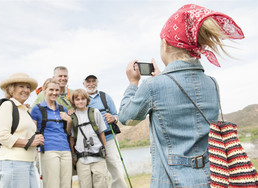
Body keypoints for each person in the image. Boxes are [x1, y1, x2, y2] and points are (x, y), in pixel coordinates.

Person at [118, 4, 244, 188]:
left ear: (166, 45)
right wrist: (162, 78)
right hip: (212, 179)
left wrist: (133, 83)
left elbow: (125, 118)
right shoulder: (212, 83)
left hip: (170, 181)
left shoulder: (153, 85)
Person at [0, 73, 45, 188]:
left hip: (28, 162)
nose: (26, 90)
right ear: (12, 89)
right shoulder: (7, 105)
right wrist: (29, 142)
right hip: (13, 162)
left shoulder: (24, 110)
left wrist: (36, 139)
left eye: (28, 87)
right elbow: (2, 136)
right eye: (21, 86)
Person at [83, 75, 127, 188]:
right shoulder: (82, 98)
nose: (91, 84)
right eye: (88, 82)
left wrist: (114, 118)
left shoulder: (105, 97)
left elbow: (116, 115)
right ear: (84, 84)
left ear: (97, 83)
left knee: (116, 167)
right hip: (92, 142)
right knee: (99, 172)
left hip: (109, 138)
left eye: (93, 81)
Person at [30, 78, 72, 188]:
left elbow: (67, 132)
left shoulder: (63, 109)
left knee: (66, 184)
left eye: (57, 90)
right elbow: (31, 131)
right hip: (48, 150)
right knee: (52, 184)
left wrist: (69, 121)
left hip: (65, 150)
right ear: (44, 90)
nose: (54, 93)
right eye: (51, 90)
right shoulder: (36, 109)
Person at [69, 89, 108, 188]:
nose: (80, 101)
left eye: (83, 99)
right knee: (84, 185)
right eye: (77, 99)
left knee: (101, 184)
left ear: (87, 100)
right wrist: (73, 155)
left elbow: (101, 132)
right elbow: (72, 139)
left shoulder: (95, 112)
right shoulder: (72, 118)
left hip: (98, 157)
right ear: (73, 101)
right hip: (82, 160)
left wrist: (105, 148)